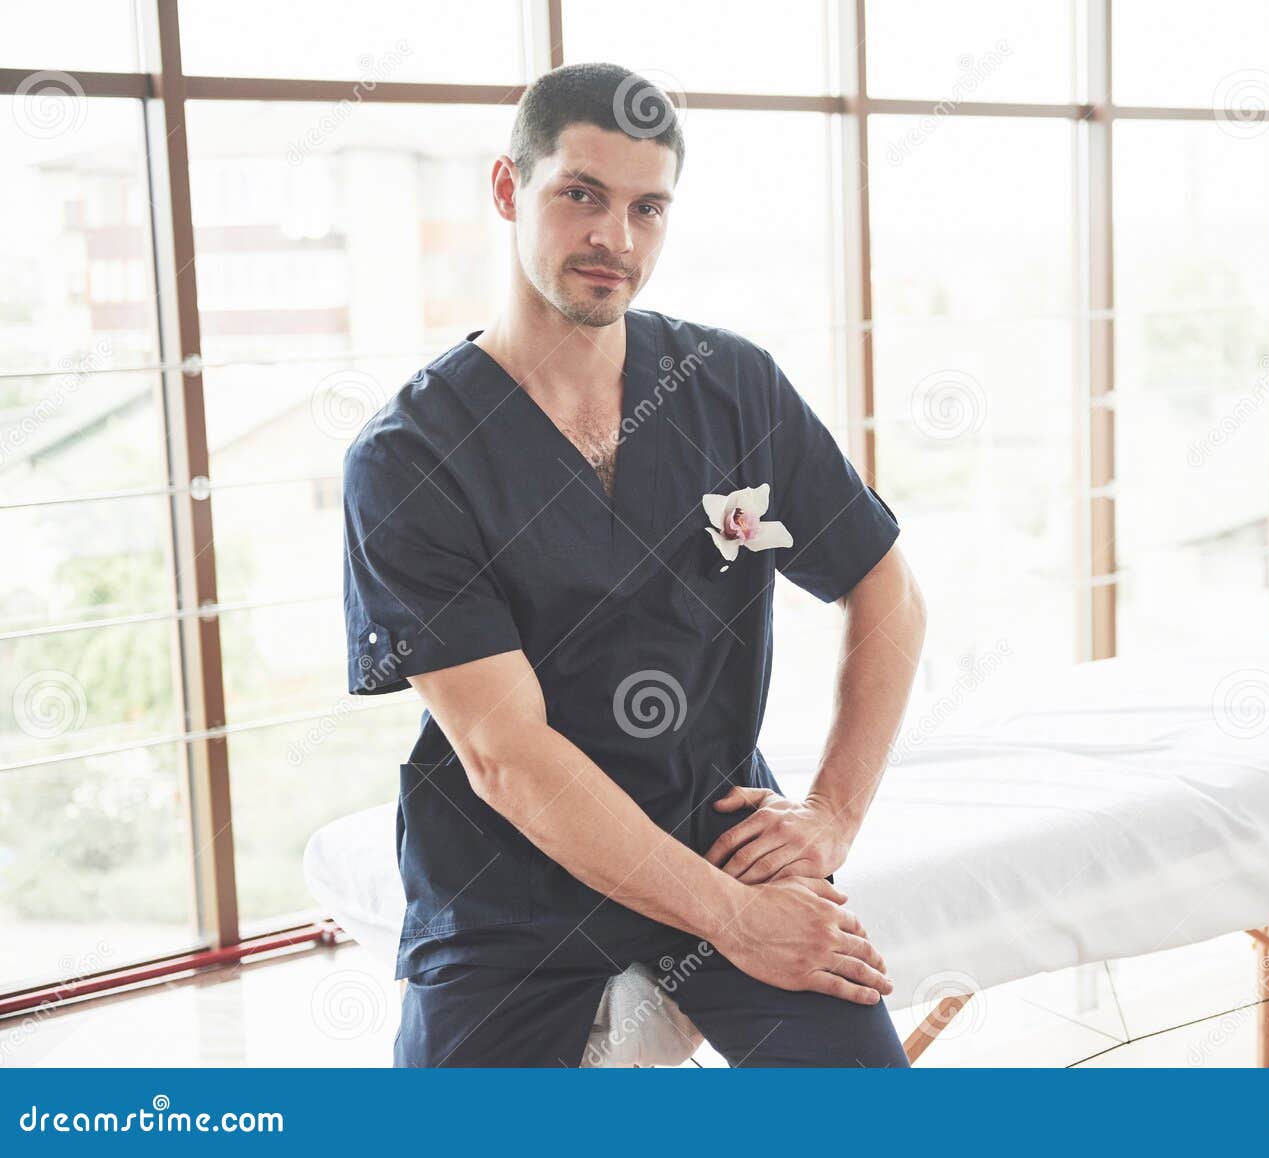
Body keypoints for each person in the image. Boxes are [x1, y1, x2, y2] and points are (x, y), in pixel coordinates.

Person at [341, 61, 927, 1067]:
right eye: (581, 195)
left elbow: (887, 589)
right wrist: (737, 925)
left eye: (646, 207)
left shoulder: (728, 385)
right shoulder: (409, 457)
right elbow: (505, 757)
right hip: (510, 887)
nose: (615, 237)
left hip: (721, 831)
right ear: (505, 189)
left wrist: (830, 815)